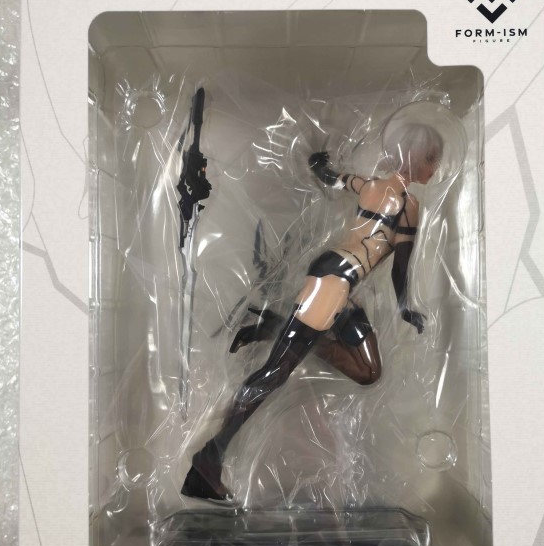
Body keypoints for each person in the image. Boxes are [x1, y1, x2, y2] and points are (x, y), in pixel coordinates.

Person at [181, 121, 444, 500]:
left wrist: (319, 165)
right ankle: (210, 458)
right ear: (416, 158)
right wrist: (405, 307)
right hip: (335, 283)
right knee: (274, 373)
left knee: (369, 371)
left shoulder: (370, 186)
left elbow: (334, 179)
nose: (435, 169)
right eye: (433, 159)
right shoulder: (408, 207)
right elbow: (400, 267)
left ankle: (275, 326)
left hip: (339, 284)